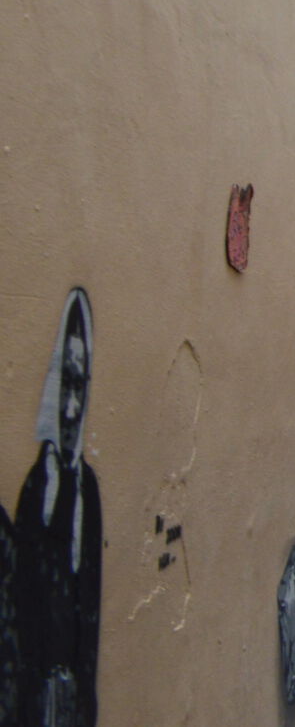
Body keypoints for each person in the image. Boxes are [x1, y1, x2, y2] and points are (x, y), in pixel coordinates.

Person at [2, 288, 102, 725]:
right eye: (66, 385)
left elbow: (92, 615)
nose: (71, 407)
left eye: (79, 387)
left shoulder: (88, 491)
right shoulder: (36, 485)